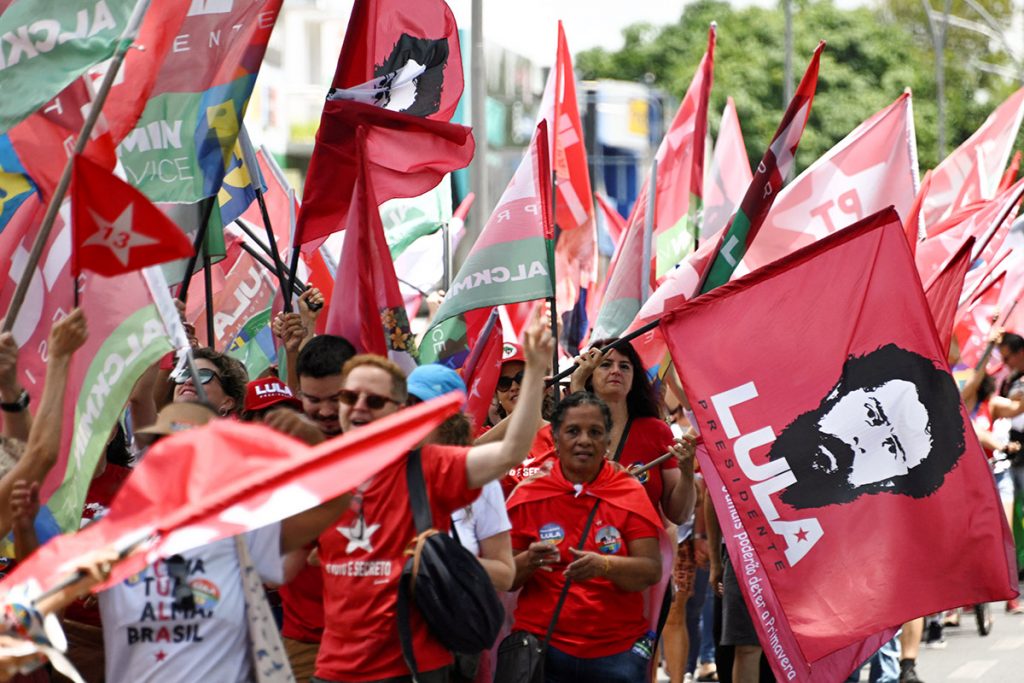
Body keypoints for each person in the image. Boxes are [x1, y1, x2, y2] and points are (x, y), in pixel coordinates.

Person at [311, 311, 551, 683]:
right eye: (348, 396)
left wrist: (535, 371)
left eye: (374, 401)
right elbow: (284, 562)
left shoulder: (431, 468)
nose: (358, 407)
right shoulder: (321, 473)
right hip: (333, 671)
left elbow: (510, 453)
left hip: (414, 668)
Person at [507, 391, 665, 682]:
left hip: (617, 654)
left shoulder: (628, 492)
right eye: (572, 431)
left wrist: (604, 566)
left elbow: (650, 570)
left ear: (607, 441)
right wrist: (529, 560)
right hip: (542, 649)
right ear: (555, 439)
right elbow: (505, 577)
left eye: (595, 432)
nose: (584, 440)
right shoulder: (528, 496)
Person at [407, 364, 514, 683]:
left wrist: (441, 558)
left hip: (454, 647)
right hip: (392, 649)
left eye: (421, 407)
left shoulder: (478, 481)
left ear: (450, 419)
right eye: (407, 406)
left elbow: (505, 573)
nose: (411, 416)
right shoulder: (383, 475)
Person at [767, 344, 965, 509]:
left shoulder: (852, 553)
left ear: (887, 483)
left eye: (892, 448)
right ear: (838, 391)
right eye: (872, 414)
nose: (862, 443)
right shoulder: (768, 383)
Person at [278, 333, 357, 681]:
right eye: (313, 399)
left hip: (380, 642)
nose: (325, 412)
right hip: (306, 643)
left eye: (336, 399)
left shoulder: (390, 453)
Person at [570, 339, 695, 524]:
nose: (616, 371)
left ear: (634, 377)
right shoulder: (565, 433)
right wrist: (576, 385)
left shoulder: (656, 431)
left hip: (642, 550)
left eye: (625, 366)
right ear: (589, 376)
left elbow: (679, 516)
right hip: (582, 550)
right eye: (605, 364)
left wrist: (687, 473)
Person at [171, 347, 249, 417]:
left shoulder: (233, 433)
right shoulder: (160, 430)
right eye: (184, 374)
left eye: (202, 375)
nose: (188, 381)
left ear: (227, 403)